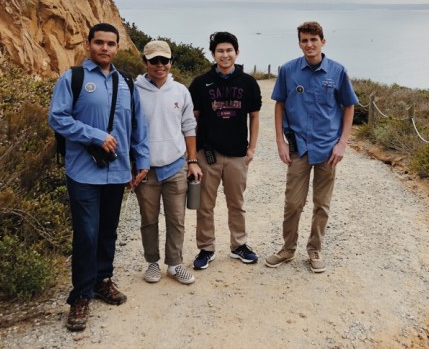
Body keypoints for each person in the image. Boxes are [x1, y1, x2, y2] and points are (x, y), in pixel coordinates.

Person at [48, 23, 150, 332]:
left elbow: (137, 126)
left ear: (118, 48)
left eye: (110, 43)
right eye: (99, 42)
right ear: (89, 45)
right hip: (83, 172)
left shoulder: (127, 83)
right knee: (87, 233)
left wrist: (141, 160)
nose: (104, 48)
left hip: (117, 172)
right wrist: (94, 135)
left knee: (108, 231)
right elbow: (57, 117)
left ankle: (102, 280)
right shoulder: (74, 79)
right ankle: (80, 295)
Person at [265, 21, 358, 273]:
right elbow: (279, 105)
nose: (309, 45)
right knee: (293, 203)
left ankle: (315, 248)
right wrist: (280, 142)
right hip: (298, 147)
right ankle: (287, 248)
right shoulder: (288, 70)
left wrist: (342, 143)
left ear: (323, 42)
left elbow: (349, 106)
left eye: (313, 40)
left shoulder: (337, 72)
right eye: (304, 41)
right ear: (299, 43)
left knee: (322, 203)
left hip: (328, 149)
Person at [189, 31, 262, 270]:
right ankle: (206, 248)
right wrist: (193, 156)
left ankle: (239, 245)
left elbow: (254, 116)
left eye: (229, 50)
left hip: (238, 155)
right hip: (207, 155)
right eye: (220, 50)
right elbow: (193, 121)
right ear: (213, 54)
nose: (225, 54)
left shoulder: (248, 82)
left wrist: (251, 149)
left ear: (237, 52)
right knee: (205, 205)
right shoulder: (201, 83)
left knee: (236, 203)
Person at [134, 40, 202, 285]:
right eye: (154, 60)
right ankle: (152, 263)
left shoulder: (181, 91)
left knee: (177, 219)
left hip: (175, 166)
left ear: (171, 62)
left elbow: (189, 127)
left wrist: (192, 161)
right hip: (146, 170)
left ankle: (174, 264)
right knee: (149, 220)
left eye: (164, 60)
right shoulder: (134, 90)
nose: (159, 65)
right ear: (145, 62)